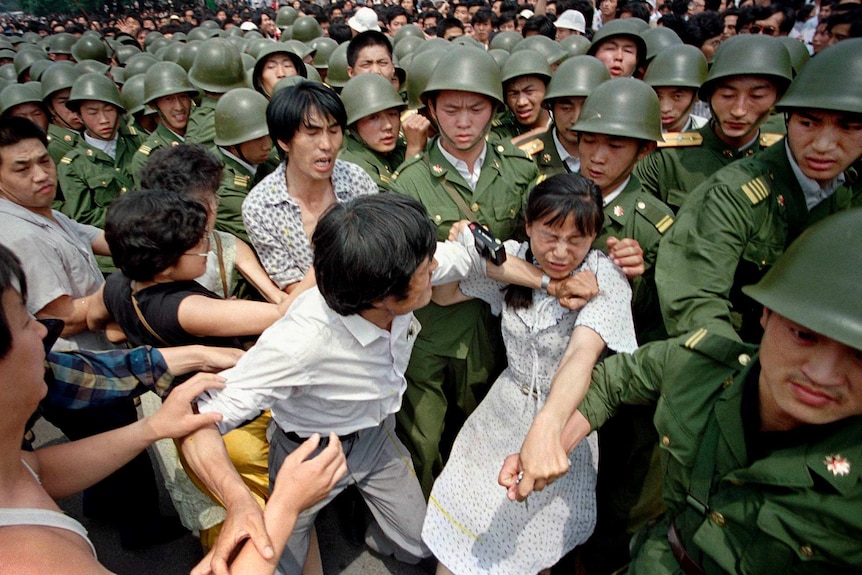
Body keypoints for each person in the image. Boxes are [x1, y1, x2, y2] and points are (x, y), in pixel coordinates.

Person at [503, 207, 862, 574]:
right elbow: (614, 381)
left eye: (860, 357)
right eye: (804, 336)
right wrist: (551, 439)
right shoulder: (701, 364)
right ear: (766, 314)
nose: (823, 373)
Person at [0, 244, 346, 575]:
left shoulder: (10, 471)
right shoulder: (28, 559)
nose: (45, 330)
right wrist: (284, 506)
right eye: (26, 322)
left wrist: (152, 428)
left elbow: (38, 471)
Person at [424, 174, 637, 574]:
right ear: (528, 225)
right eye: (549, 235)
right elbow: (443, 292)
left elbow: (581, 356)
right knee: (466, 522)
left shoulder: (603, 278)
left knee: (531, 538)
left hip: (563, 419)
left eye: (577, 239)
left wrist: (547, 427)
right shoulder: (511, 258)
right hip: (500, 414)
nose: (560, 251)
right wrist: (463, 248)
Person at [656, 39, 862, 344]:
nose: (823, 145)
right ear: (788, 119)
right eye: (808, 123)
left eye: (849, 127)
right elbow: (695, 301)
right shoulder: (733, 194)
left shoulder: (851, 190)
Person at [241, 82, 377, 299]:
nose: (327, 144)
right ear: (284, 141)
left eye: (333, 131)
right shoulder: (260, 207)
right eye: (312, 133)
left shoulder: (356, 179)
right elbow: (291, 284)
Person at [634, 35, 792, 213]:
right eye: (727, 95)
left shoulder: (787, 160)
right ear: (708, 95)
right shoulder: (666, 159)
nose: (738, 110)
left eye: (757, 96)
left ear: (777, 99)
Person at [515, 55, 610, 178]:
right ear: (552, 108)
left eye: (586, 108)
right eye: (566, 108)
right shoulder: (521, 157)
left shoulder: (619, 155)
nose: (575, 119)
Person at [338, 73, 430, 192]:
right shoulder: (352, 168)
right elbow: (396, 207)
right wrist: (413, 152)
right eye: (373, 118)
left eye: (392, 114)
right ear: (353, 126)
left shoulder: (397, 146)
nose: (387, 125)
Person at [129, 61, 199, 188]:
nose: (179, 107)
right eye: (169, 99)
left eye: (183, 97)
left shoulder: (204, 131)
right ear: (153, 105)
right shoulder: (146, 158)